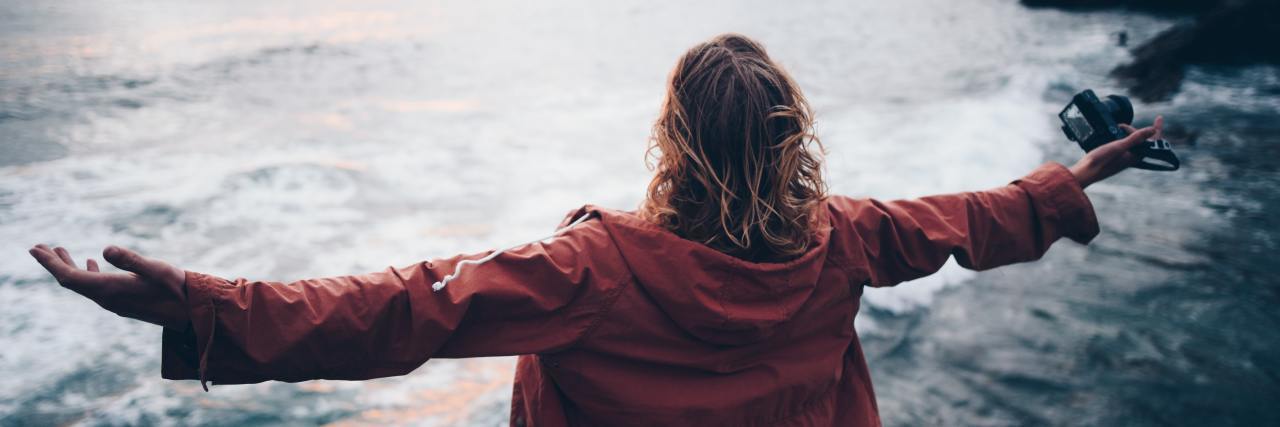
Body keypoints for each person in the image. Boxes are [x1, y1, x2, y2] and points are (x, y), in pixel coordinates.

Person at [29, 33, 1164, 426]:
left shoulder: (591, 270)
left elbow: (395, 312)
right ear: (788, 143)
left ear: (670, 141)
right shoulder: (844, 239)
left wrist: (200, 305)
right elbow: (970, 218)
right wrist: (1080, 175)